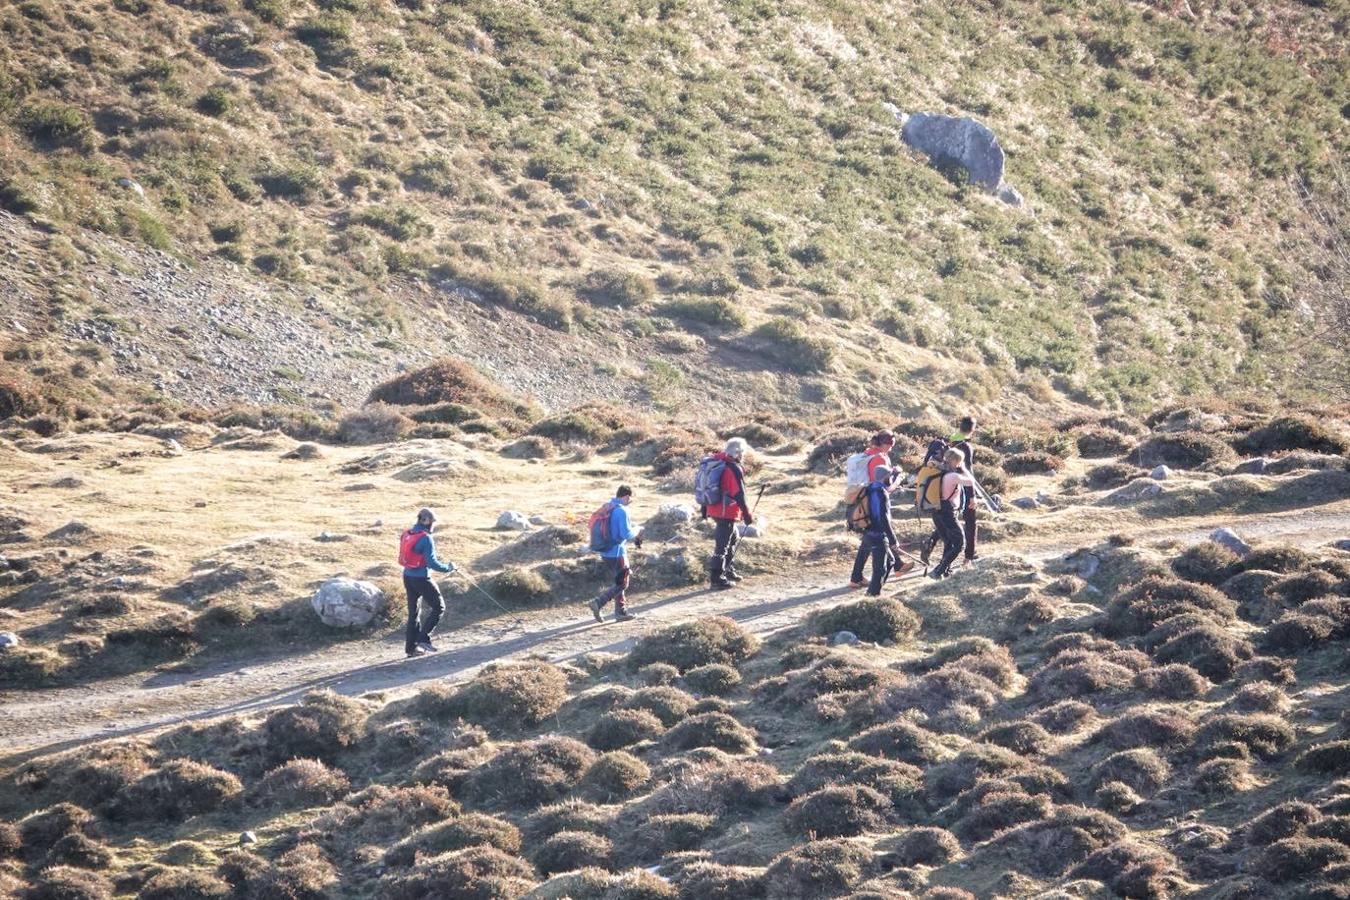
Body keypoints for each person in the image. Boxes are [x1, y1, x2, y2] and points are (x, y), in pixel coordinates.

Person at [921, 415, 980, 565]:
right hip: (958, 485)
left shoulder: (950, 440)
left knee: (949, 520)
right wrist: (972, 495)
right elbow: (967, 472)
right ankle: (968, 556)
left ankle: (930, 543)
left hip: (943, 487)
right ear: (973, 429)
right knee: (970, 520)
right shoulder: (965, 446)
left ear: (960, 426)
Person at [398, 507, 456, 658]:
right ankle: (423, 639)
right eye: (433, 522)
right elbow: (432, 563)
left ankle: (411, 648)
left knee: (414, 613)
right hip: (422, 578)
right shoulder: (426, 538)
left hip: (407, 576)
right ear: (427, 521)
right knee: (439, 607)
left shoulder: (406, 534)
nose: (433, 525)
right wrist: (449, 568)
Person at [588, 485, 643, 623]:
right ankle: (599, 602)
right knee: (623, 583)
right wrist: (637, 529)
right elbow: (626, 534)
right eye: (630, 499)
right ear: (627, 496)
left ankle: (621, 612)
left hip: (605, 551)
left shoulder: (609, 506)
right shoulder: (622, 511)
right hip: (618, 552)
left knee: (618, 581)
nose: (630, 502)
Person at [704, 437, 753, 590]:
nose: (743, 455)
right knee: (722, 545)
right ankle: (717, 578)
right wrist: (747, 514)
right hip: (726, 511)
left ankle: (728, 569)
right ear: (738, 452)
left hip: (714, 508)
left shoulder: (716, 462)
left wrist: (704, 509)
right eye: (743, 452)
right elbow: (739, 494)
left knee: (733, 537)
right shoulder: (733, 468)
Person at [848, 464, 904, 595]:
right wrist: (893, 540)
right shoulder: (881, 492)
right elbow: (883, 519)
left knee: (890, 561)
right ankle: (872, 595)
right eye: (890, 476)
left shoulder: (871, 488)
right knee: (881, 568)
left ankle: (868, 587)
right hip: (878, 534)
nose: (891, 478)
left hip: (868, 530)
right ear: (886, 477)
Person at [929, 448, 973, 579]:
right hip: (947, 512)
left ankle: (945, 571)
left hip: (936, 510)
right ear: (955, 461)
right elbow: (971, 482)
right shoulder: (953, 476)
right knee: (960, 543)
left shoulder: (938, 472)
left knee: (948, 542)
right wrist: (964, 468)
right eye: (959, 461)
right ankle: (938, 571)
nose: (959, 463)